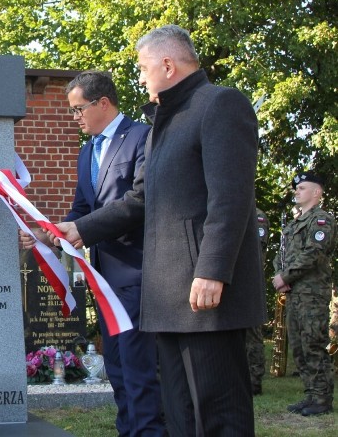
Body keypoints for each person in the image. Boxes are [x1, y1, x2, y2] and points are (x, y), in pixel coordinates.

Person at [55, 25, 266, 436]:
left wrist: (213, 270)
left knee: (218, 413)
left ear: (167, 65)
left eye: (143, 67)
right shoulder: (163, 126)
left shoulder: (219, 104)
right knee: (179, 413)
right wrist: (76, 228)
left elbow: (230, 198)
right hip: (166, 296)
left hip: (204, 295)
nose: (139, 77)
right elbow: (141, 201)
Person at [20, 70, 164, 436]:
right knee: (115, 368)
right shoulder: (88, 151)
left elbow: (139, 202)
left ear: (103, 103)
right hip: (104, 277)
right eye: (71, 111)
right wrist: (45, 235)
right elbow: (81, 210)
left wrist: (81, 230)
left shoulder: (142, 138)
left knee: (138, 369)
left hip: (136, 273)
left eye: (79, 109)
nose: (75, 117)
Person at [272, 171, 335, 416]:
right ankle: (310, 394)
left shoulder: (322, 220)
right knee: (298, 345)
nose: (296, 191)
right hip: (294, 293)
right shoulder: (294, 224)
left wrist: (285, 276)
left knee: (313, 343)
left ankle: (322, 398)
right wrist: (280, 276)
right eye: (296, 188)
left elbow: (314, 252)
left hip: (312, 293)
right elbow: (281, 254)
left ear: (316, 193)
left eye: (302, 188)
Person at [246, 208, 270, 395]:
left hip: (250, 282)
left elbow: (256, 249)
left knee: (253, 335)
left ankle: (254, 380)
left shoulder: (257, 215)